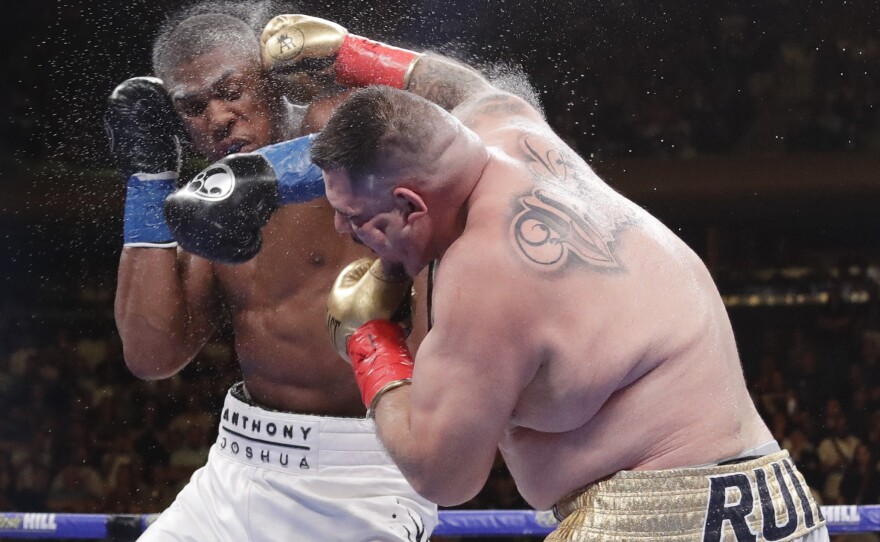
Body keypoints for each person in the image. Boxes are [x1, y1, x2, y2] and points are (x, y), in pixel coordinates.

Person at [261, 14, 830, 540]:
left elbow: (443, 475)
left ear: (411, 206)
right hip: (777, 498)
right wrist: (351, 55)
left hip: (664, 517)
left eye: (358, 216)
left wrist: (370, 341)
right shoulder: (509, 127)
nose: (341, 228)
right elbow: (460, 87)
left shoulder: (485, 276)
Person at [105, 3, 437, 540]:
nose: (217, 118)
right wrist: (149, 182)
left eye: (230, 91)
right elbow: (151, 356)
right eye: (193, 107)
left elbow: (436, 134)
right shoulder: (211, 203)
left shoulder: (339, 128)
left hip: (359, 472)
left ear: (269, 80)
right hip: (236, 467)